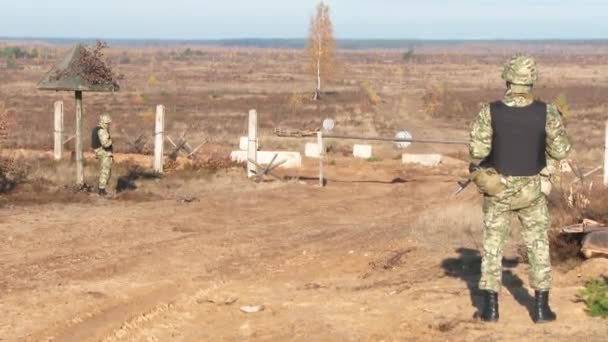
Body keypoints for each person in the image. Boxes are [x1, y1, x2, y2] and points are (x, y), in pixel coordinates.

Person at [469, 54, 571, 323]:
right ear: (532, 80)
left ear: (508, 78)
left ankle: (490, 310)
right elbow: (561, 150)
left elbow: (477, 151)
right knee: (538, 246)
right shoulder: (546, 112)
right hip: (532, 190)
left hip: (498, 188)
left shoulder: (489, 111)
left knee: (492, 247)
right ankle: (541, 310)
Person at [92, 114, 113, 196]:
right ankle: (102, 190)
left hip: (99, 152)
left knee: (103, 171)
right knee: (105, 171)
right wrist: (111, 141)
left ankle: (102, 189)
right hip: (104, 153)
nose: (108, 125)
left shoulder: (96, 129)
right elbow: (105, 144)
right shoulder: (102, 131)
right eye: (107, 123)